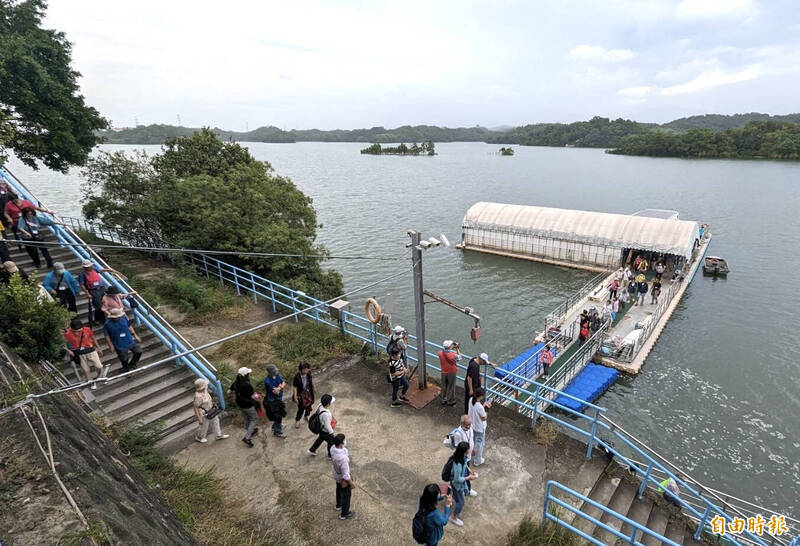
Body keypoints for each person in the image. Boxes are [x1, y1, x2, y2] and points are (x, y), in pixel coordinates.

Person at [64, 317, 107, 389]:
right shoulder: (68, 334)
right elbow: (62, 344)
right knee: (86, 369)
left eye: (79, 330)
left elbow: (93, 338)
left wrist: (98, 348)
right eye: (76, 331)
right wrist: (69, 351)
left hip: (90, 350)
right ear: (71, 329)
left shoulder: (87, 329)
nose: (77, 332)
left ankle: (100, 377)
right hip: (79, 353)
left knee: (99, 366)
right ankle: (91, 382)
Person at [103, 308, 143, 373]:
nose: (117, 318)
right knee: (124, 359)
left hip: (129, 340)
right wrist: (111, 346)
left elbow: (129, 327)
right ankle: (126, 368)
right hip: (119, 344)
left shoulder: (124, 318)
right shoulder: (107, 324)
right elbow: (106, 336)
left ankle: (133, 363)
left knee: (138, 351)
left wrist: (135, 335)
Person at [228, 367, 259, 447]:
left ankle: (250, 431)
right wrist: (257, 396)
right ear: (246, 375)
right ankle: (247, 437)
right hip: (248, 405)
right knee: (254, 418)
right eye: (248, 374)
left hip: (239, 403)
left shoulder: (235, 383)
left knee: (246, 417)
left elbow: (229, 392)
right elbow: (253, 396)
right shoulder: (248, 385)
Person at [78, 259, 116, 325]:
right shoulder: (82, 274)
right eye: (88, 266)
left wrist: (109, 270)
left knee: (106, 302)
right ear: (85, 267)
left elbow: (101, 270)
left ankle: (106, 317)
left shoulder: (94, 269)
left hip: (101, 288)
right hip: (93, 291)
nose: (90, 267)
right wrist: (87, 293)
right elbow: (82, 285)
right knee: (98, 306)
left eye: (90, 266)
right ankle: (99, 319)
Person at [193, 378, 230, 443]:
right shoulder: (198, 396)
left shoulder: (205, 391)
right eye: (205, 385)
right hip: (204, 413)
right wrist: (199, 418)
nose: (206, 386)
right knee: (204, 426)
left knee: (216, 422)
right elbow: (195, 408)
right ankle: (199, 437)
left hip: (211, 410)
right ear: (202, 387)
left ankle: (218, 435)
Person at [449, 441, 477, 527]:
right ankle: (453, 517)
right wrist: (468, 478)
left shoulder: (461, 457)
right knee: (460, 503)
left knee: (459, 495)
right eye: (468, 449)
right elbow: (457, 479)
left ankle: (451, 495)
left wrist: (469, 470)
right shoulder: (458, 464)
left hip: (459, 484)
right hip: (457, 485)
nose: (469, 449)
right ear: (465, 451)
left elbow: (465, 463)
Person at [451, 414, 477, 496]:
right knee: (464, 475)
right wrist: (465, 461)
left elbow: (471, 439)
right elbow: (459, 448)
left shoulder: (470, 427)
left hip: (468, 456)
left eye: (470, 424)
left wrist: (473, 448)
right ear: (462, 424)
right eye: (467, 425)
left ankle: (464, 489)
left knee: (465, 473)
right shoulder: (458, 434)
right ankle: (467, 490)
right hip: (463, 459)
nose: (469, 426)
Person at [331, 433, 355, 520]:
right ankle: (345, 513)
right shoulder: (342, 458)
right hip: (342, 477)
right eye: (344, 440)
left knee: (338, 489)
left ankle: (339, 504)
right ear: (341, 443)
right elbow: (345, 475)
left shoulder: (332, 448)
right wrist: (351, 484)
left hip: (336, 474)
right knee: (346, 495)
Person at [468, 388, 491, 466]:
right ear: (481, 396)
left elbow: (475, 409)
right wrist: (487, 409)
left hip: (472, 425)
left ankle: (471, 453)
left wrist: (483, 405)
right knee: (479, 443)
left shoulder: (471, 400)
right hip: (479, 427)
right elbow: (484, 417)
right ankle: (478, 460)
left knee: (473, 441)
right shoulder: (480, 407)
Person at [263, 364, 287, 438]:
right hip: (272, 401)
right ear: (270, 372)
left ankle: (275, 426)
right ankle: (278, 432)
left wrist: (279, 387)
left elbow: (283, 383)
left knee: (277, 415)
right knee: (278, 416)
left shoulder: (277, 375)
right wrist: (280, 387)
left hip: (278, 399)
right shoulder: (267, 381)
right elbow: (276, 392)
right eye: (274, 371)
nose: (276, 372)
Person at [437, 340, 461, 406]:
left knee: (444, 385)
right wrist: (457, 348)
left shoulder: (440, 353)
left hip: (444, 371)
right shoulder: (453, 355)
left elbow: (444, 351)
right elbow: (459, 357)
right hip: (452, 372)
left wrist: (450, 348)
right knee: (451, 386)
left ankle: (443, 399)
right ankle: (450, 401)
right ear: (450, 346)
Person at [292, 362, 315, 428]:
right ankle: (297, 420)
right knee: (301, 408)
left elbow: (311, 381)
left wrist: (313, 387)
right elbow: (295, 387)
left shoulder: (308, 374)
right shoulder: (297, 377)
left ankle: (306, 416)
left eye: (308, 369)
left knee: (309, 405)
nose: (307, 370)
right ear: (301, 369)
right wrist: (295, 396)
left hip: (309, 393)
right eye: (305, 369)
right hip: (301, 394)